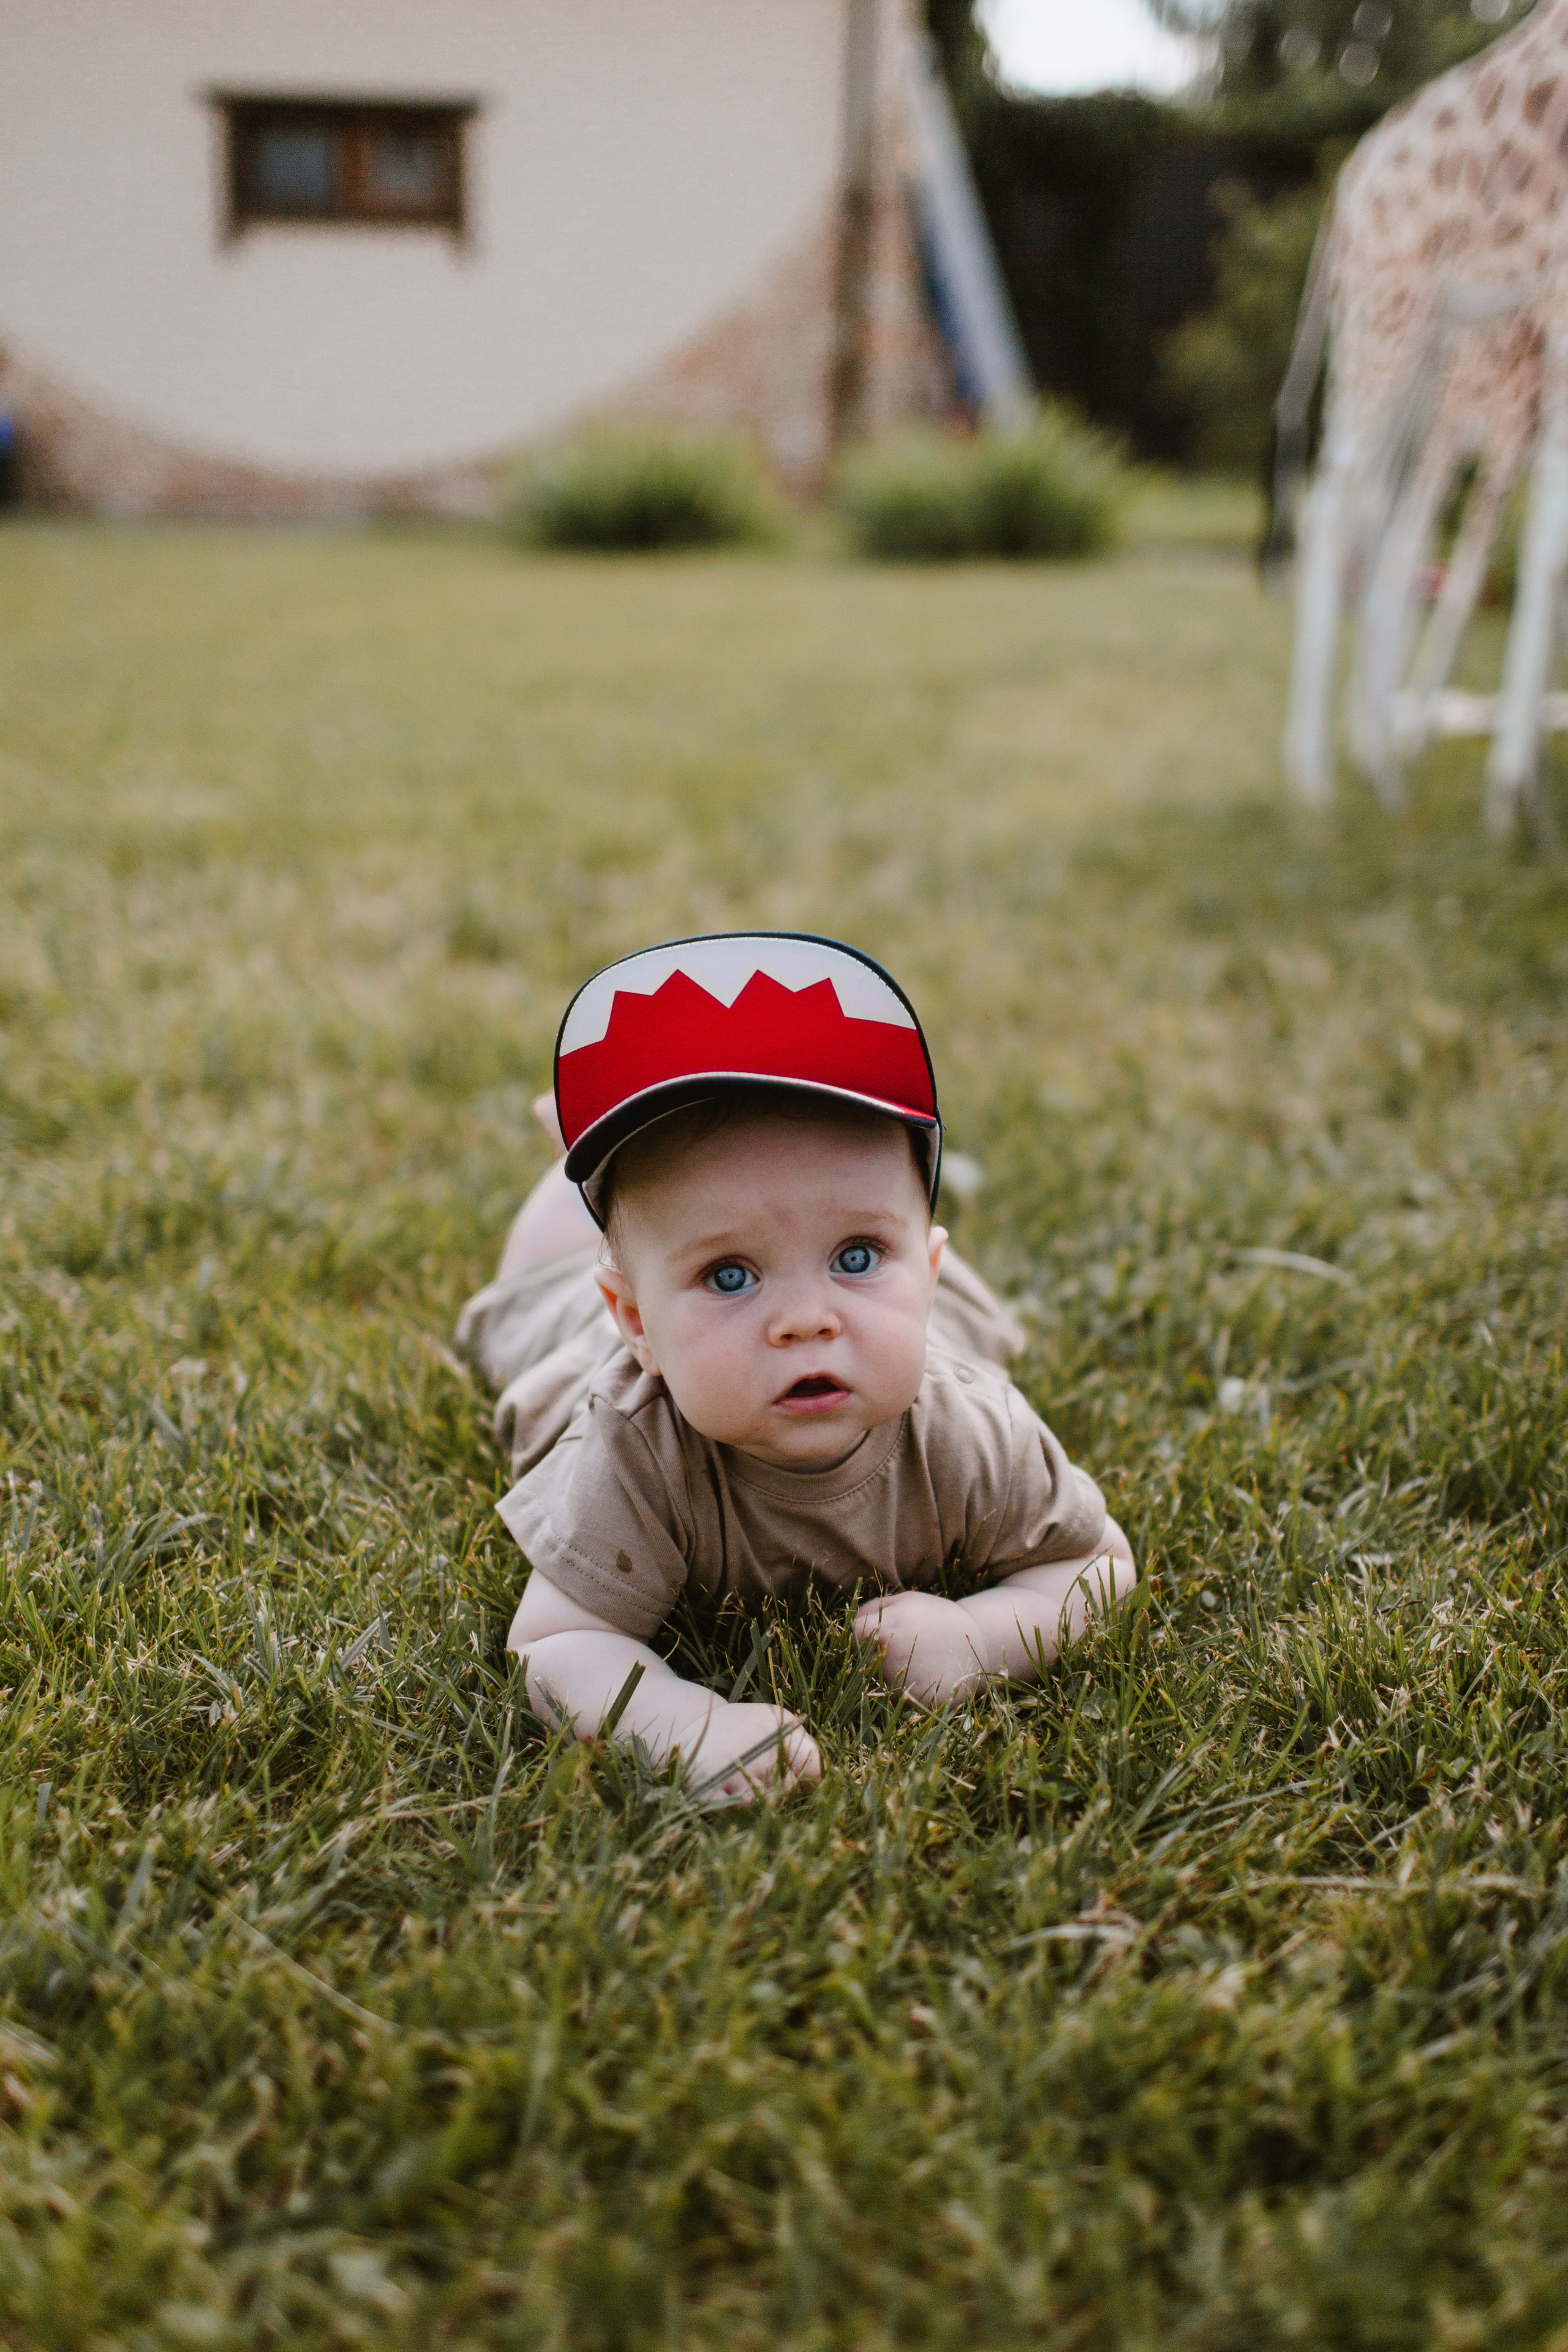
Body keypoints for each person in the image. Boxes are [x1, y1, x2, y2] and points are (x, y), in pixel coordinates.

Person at [457, 932, 1136, 1803]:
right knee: (543, 1262)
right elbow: (555, 1645)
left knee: (887, 1289)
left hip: (896, 1315)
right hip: (569, 1315)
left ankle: (679, 1218)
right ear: (636, 1325)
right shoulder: (631, 1448)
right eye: (730, 1275)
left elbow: (1096, 1568)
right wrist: (680, 1727)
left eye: (858, 1255)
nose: (805, 1319)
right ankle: (576, 1164)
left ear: (923, 1276)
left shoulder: (971, 1429)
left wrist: (983, 1639)